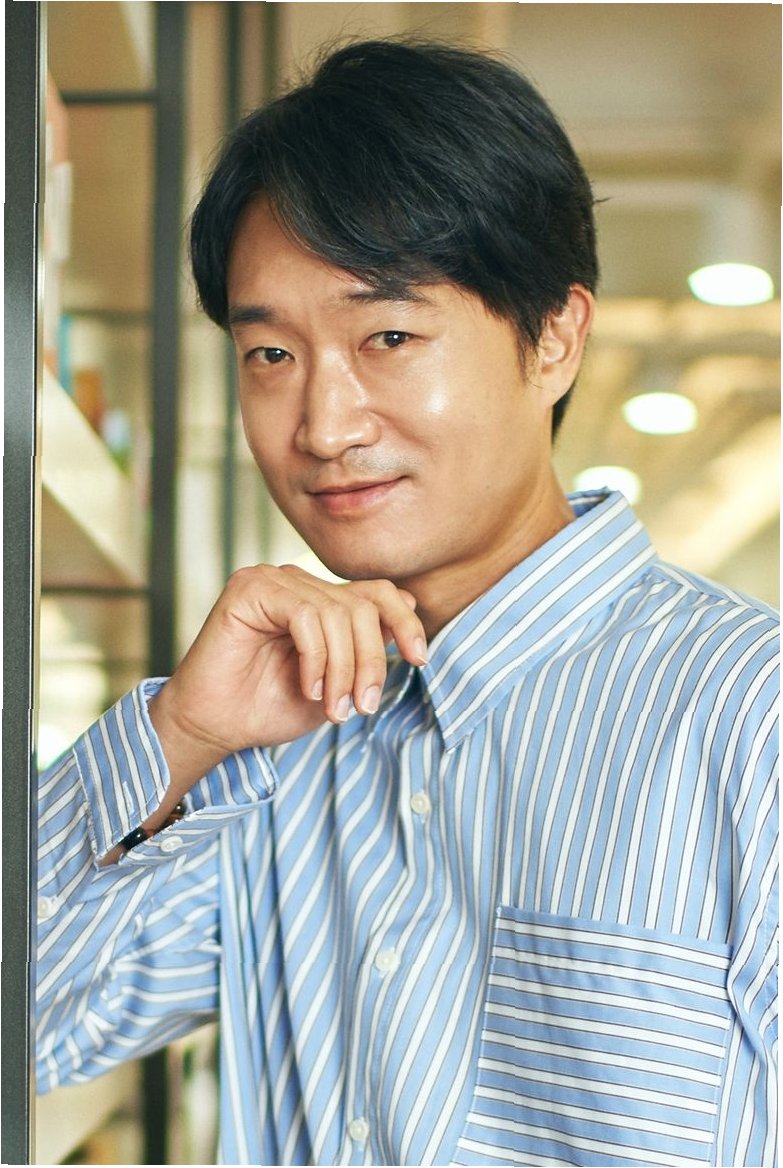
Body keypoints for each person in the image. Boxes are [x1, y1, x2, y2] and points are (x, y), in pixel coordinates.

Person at [36, 39, 778, 1168]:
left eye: (387, 336)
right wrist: (181, 735)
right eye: (270, 353)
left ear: (555, 336)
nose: (323, 426)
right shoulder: (278, 747)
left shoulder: (752, 714)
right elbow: (30, 1025)